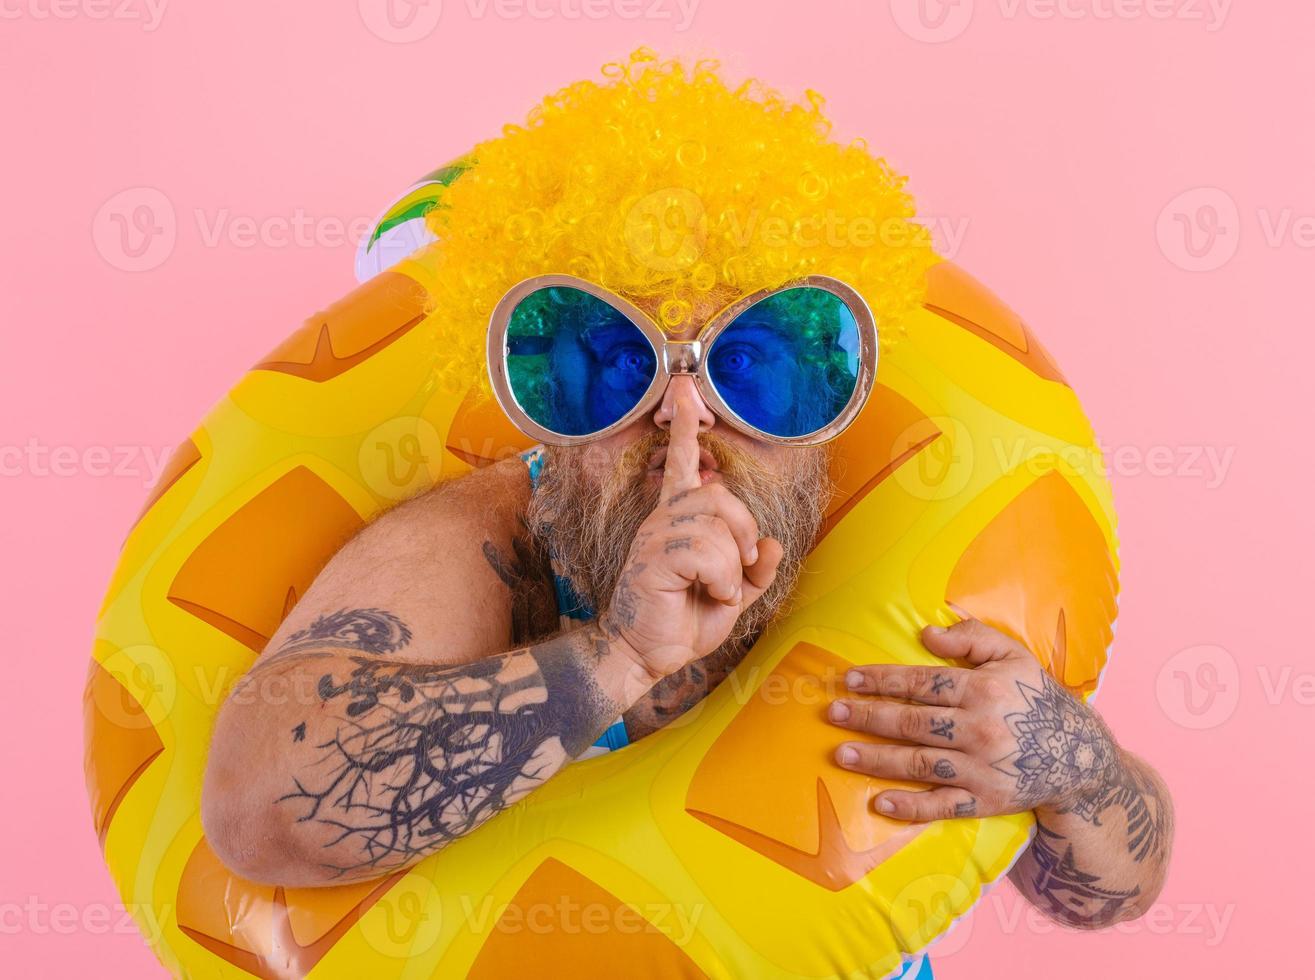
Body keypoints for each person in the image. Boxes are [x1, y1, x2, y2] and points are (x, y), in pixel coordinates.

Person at [201, 51, 1172, 947]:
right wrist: (618, 655)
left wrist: (1075, 765)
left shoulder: (871, 556)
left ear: (832, 398)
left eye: (754, 364)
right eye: (613, 362)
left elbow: (1110, 891)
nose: (685, 420)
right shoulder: (483, 550)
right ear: (542, 414)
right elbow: (255, 810)